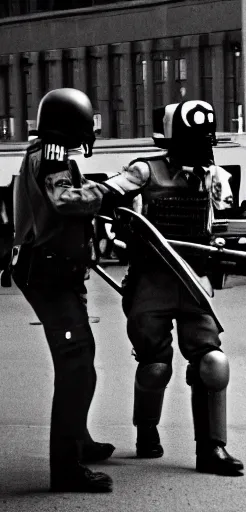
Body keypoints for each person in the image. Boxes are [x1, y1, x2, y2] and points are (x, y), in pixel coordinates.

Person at [120, 100, 244, 475]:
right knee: (155, 366)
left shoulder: (212, 176)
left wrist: (234, 250)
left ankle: (211, 448)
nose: (203, 148)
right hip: (151, 281)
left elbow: (219, 223)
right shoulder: (143, 171)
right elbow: (113, 205)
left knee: (212, 362)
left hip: (192, 280)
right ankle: (146, 429)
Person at [10, 88, 124, 493]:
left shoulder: (45, 153)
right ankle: (66, 466)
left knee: (82, 360)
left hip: (56, 272)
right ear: (72, 123)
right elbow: (62, 200)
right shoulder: (53, 155)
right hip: (48, 274)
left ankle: (79, 440)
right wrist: (108, 190)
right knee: (76, 366)